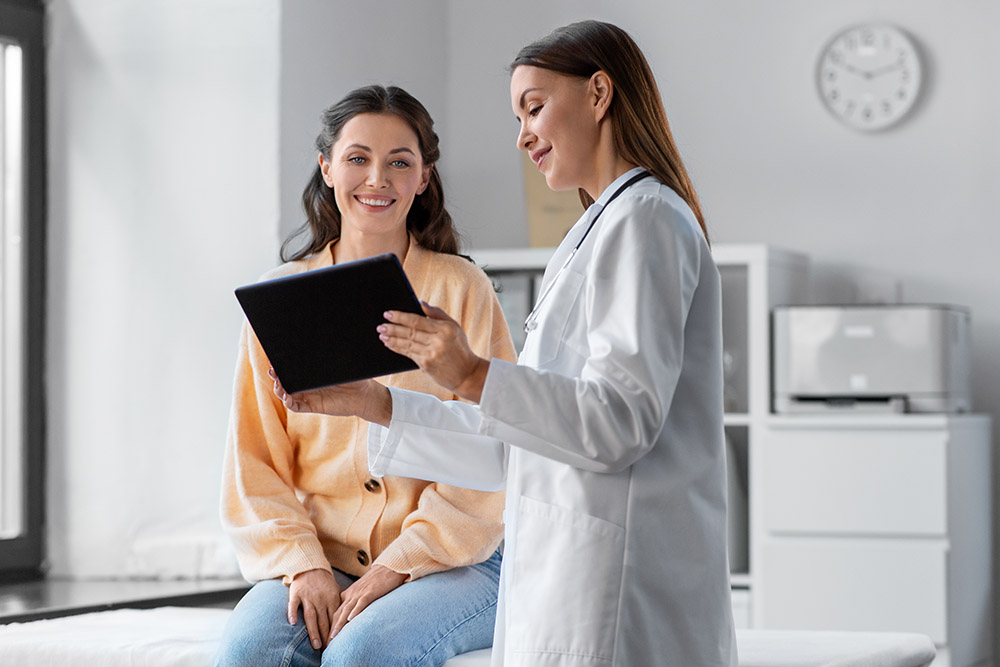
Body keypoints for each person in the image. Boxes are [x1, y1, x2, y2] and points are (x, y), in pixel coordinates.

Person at [274, 20, 738, 667]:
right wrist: (376, 403)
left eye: (534, 107)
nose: (522, 136)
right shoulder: (590, 236)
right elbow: (513, 448)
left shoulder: (648, 221)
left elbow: (620, 422)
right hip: (563, 580)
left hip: (620, 592)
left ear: (599, 93)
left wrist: (469, 371)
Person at [215, 85, 517, 667]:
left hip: (459, 557)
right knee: (251, 654)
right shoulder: (280, 297)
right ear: (326, 167)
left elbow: (494, 453)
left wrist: (394, 567)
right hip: (319, 553)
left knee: (363, 654)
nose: (377, 178)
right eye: (358, 158)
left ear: (423, 178)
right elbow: (253, 460)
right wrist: (304, 563)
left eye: (399, 162)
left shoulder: (461, 290)